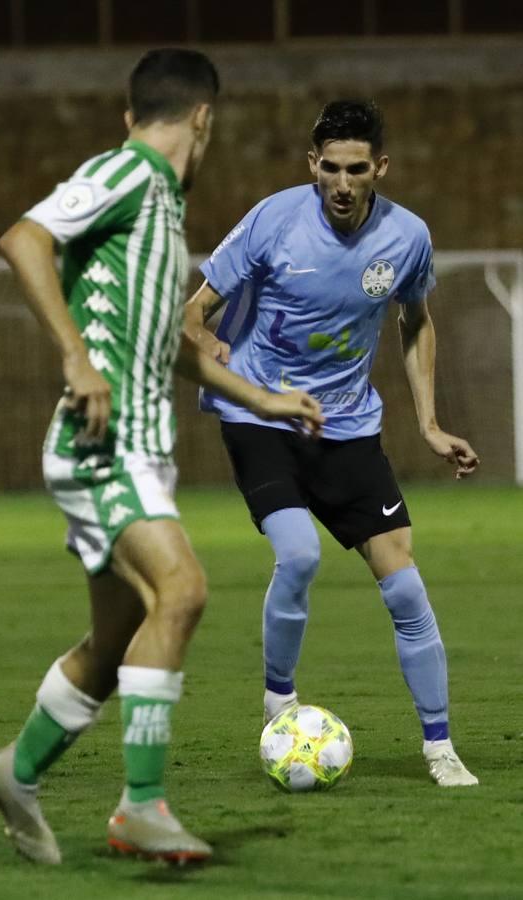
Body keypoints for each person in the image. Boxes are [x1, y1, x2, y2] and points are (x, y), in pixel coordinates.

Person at [0, 48, 321, 866]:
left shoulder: (160, 208)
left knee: (117, 634)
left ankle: (13, 773)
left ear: (136, 111)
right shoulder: (127, 174)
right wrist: (73, 356)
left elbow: (170, 342)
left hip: (139, 452)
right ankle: (140, 807)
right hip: (103, 445)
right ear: (203, 119)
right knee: (183, 589)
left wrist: (262, 397)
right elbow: (23, 239)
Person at [184, 100, 480, 788]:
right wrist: (207, 340)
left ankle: (438, 748)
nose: (341, 183)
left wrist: (429, 424)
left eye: (355, 169)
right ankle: (279, 702)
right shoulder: (271, 220)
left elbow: (415, 323)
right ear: (310, 165)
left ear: (379, 168)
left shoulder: (406, 238)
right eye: (328, 168)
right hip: (260, 417)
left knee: (405, 589)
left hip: (346, 427)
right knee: (298, 553)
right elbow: (194, 311)